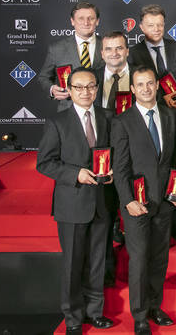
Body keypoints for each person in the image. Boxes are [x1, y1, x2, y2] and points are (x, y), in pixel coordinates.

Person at [36, 68, 115, 335]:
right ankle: (73, 318)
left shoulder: (108, 117)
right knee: (72, 264)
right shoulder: (57, 123)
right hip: (71, 204)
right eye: (79, 87)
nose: (85, 92)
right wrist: (75, 174)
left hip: (102, 202)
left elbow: (115, 153)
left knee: (97, 262)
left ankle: (95, 312)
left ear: (97, 89)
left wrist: (115, 168)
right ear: (68, 91)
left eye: (90, 86)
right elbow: (44, 163)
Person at [111, 66, 176, 335]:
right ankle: (140, 316)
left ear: (157, 86)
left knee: (159, 258)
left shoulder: (169, 115)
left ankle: (155, 306)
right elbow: (119, 169)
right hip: (136, 205)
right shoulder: (122, 121)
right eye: (139, 84)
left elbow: (175, 158)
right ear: (132, 89)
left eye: (150, 83)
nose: (145, 89)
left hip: (164, 202)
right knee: (140, 259)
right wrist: (128, 200)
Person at [129, 4, 176, 244]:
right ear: (141, 26)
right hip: (148, 120)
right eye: (150, 25)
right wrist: (160, 98)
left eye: (160, 24)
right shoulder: (133, 53)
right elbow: (134, 87)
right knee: (153, 171)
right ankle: (149, 220)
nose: (156, 29)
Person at [94, 30, 132, 285]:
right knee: (105, 217)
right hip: (102, 157)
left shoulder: (143, 77)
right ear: (102, 52)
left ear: (127, 50)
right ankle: (107, 271)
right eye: (109, 49)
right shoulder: (92, 79)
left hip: (134, 155)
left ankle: (139, 273)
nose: (114, 53)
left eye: (119, 48)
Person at [38, 2, 103, 112]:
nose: (86, 23)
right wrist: (52, 89)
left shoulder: (108, 46)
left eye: (90, 18)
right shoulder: (57, 48)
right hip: (68, 109)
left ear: (97, 21)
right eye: (81, 18)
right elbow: (44, 77)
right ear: (72, 21)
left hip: (102, 110)